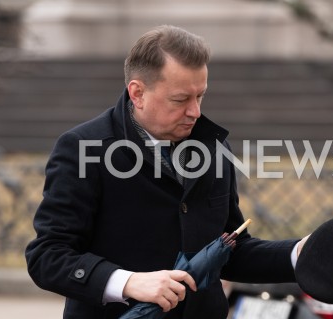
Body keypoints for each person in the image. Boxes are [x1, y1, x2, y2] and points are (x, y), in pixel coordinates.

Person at [25, 25, 307, 319]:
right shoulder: (83, 147)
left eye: (201, 96)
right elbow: (47, 256)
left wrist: (298, 254)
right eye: (180, 99)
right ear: (137, 93)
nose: (195, 112)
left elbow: (229, 251)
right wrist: (127, 282)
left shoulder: (215, 146)